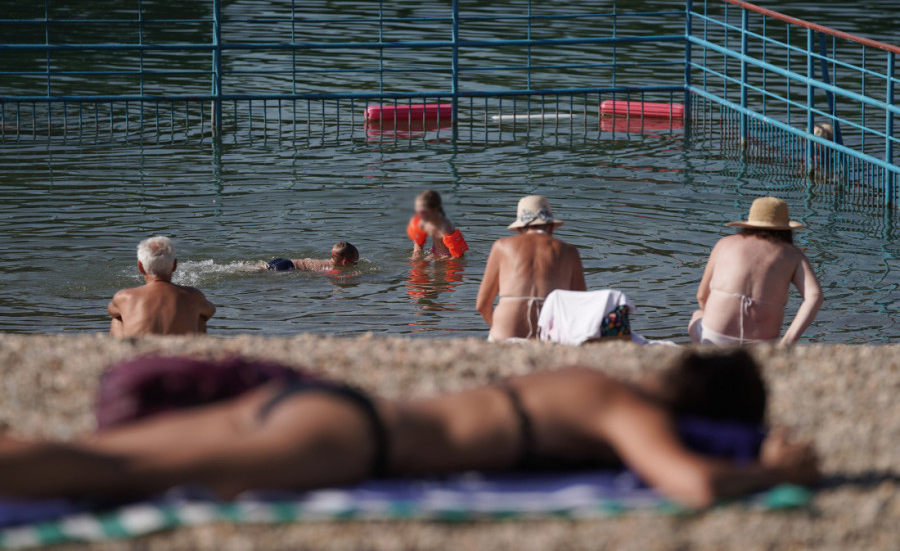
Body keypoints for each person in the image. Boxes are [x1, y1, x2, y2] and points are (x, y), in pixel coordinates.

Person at [0, 349, 819, 508]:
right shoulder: (625, 411)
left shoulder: (586, 379)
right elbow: (691, 484)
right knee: (109, 477)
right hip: (350, 442)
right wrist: (777, 473)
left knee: (94, 457)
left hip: (316, 401)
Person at [689, 197, 823, 346]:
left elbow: (702, 296)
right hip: (763, 342)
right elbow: (815, 295)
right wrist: (787, 343)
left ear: (750, 224)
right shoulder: (793, 254)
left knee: (698, 315)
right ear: (787, 229)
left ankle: (705, 352)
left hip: (717, 337)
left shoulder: (725, 243)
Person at [476, 195, 586, 341]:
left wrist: (497, 327)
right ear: (551, 227)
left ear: (519, 229)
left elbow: (482, 305)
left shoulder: (501, 246)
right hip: (551, 334)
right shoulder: (569, 251)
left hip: (507, 331)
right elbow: (580, 304)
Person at [107, 237, 216, 337]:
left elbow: (111, 310)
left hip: (140, 351)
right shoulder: (193, 295)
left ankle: (118, 350)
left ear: (140, 267)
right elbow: (211, 311)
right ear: (174, 265)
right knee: (200, 317)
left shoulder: (124, 297)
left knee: (117, 319)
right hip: (179, 349)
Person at [407, 190, 468, 258]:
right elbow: (419, 243)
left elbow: (458, 254)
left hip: (448, 256)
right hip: (434, 252)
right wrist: (416, 255)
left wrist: (447, 260)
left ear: (434, 210)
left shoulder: (445, 227)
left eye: (422, 212)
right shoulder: (423, 223)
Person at [263, 241, 359, 272]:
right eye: (355, 263)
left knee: (260, 269)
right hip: (287, 267)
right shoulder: (332, 269)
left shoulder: (327, 262)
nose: (355, 265)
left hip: (284, 261)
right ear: (344, 262)